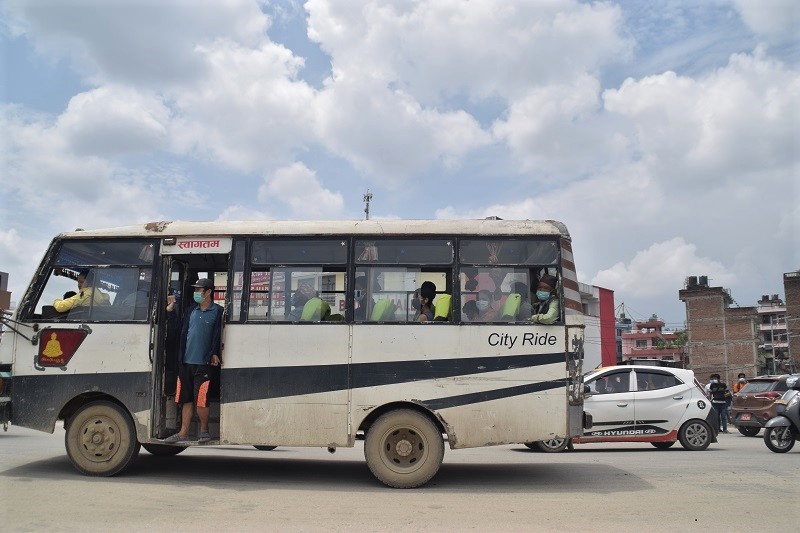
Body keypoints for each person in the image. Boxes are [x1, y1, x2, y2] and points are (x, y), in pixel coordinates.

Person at [166, 278, 223, 444]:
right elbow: (178, 329)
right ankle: (183, 432)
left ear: (208, 292)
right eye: (196, 290)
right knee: (186, 399)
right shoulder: (191, 311)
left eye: (199, 290)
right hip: (185, 363)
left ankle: (204, 432)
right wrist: (171, 311)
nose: (196, 293)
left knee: (201, 399)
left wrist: (215, 353)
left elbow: (219, 336)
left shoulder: (218, 311)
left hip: (204, 364)